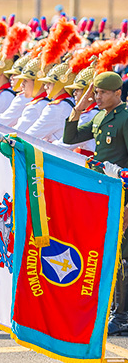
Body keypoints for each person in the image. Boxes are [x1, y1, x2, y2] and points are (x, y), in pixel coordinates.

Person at [63, 71, 128, 336]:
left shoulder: (124, 118)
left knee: (122, 256)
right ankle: (114, 309)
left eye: (101, 93)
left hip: (122, 193)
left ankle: (121, 315)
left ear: (117, 93)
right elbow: (70, 137)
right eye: (95, 92)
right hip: (104, 192)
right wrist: (79, 106)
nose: (96, 96)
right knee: (110, 251)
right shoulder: (100, 116)